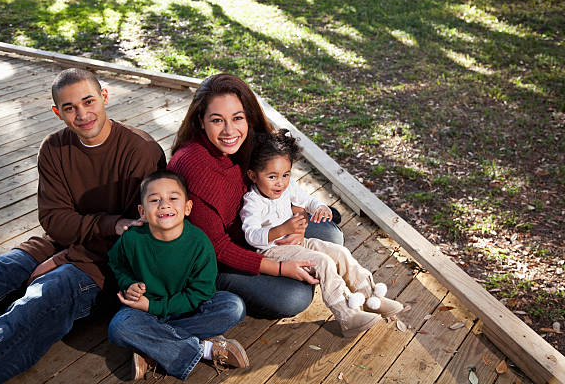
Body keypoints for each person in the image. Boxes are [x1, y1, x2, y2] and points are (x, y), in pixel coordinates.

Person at [0, 68, 166, 384]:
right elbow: (54, 220)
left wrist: (67, 258)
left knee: (35, 304)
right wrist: (107, 226)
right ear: (57, 112)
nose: (82, 114)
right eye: (70, 108)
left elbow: (139, 238)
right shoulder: (54, 148)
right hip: (55, 245)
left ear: (104, 97)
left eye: (88, 101)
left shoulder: (141, 151)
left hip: (103, 267)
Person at [167, 73, 345, 318]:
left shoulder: (250, 141)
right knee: (294, 298)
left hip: (261, 231)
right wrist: (281, 269)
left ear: (247, 116)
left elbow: (282, 185)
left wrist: (298, 224)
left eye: (237, 118)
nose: (230, 130)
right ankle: (218, 298)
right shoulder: (193, 165)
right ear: (201, 120)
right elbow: (218, 248)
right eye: (217, 120)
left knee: (331, 234)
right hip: (218, 261)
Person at [240, 130, 404, 337]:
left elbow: (306, 199)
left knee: (339, 253)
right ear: (253, 175)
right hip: (272, 251)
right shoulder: (252, 202)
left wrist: (318, 207)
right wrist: (283, 229)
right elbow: (251, 235)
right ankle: (347, 315)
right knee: (322, 262)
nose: (280, 183)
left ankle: (370, 296)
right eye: (272, 177)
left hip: (296, 243)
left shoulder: (286, 186)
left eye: (285, 174)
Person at [107, 170, 248, 380]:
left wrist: (154, 306)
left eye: (173, 198)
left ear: (187, 207)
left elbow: (200, 294)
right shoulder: (132, 239)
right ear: (142, 211)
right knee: (119, 327)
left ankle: (152, 347)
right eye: (155, 200)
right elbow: (117, 264)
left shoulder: (200, 244)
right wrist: (129, 284)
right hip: (143, 313)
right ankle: (204, 349)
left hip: (186, 309)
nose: (164, 205)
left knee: (233, 307)